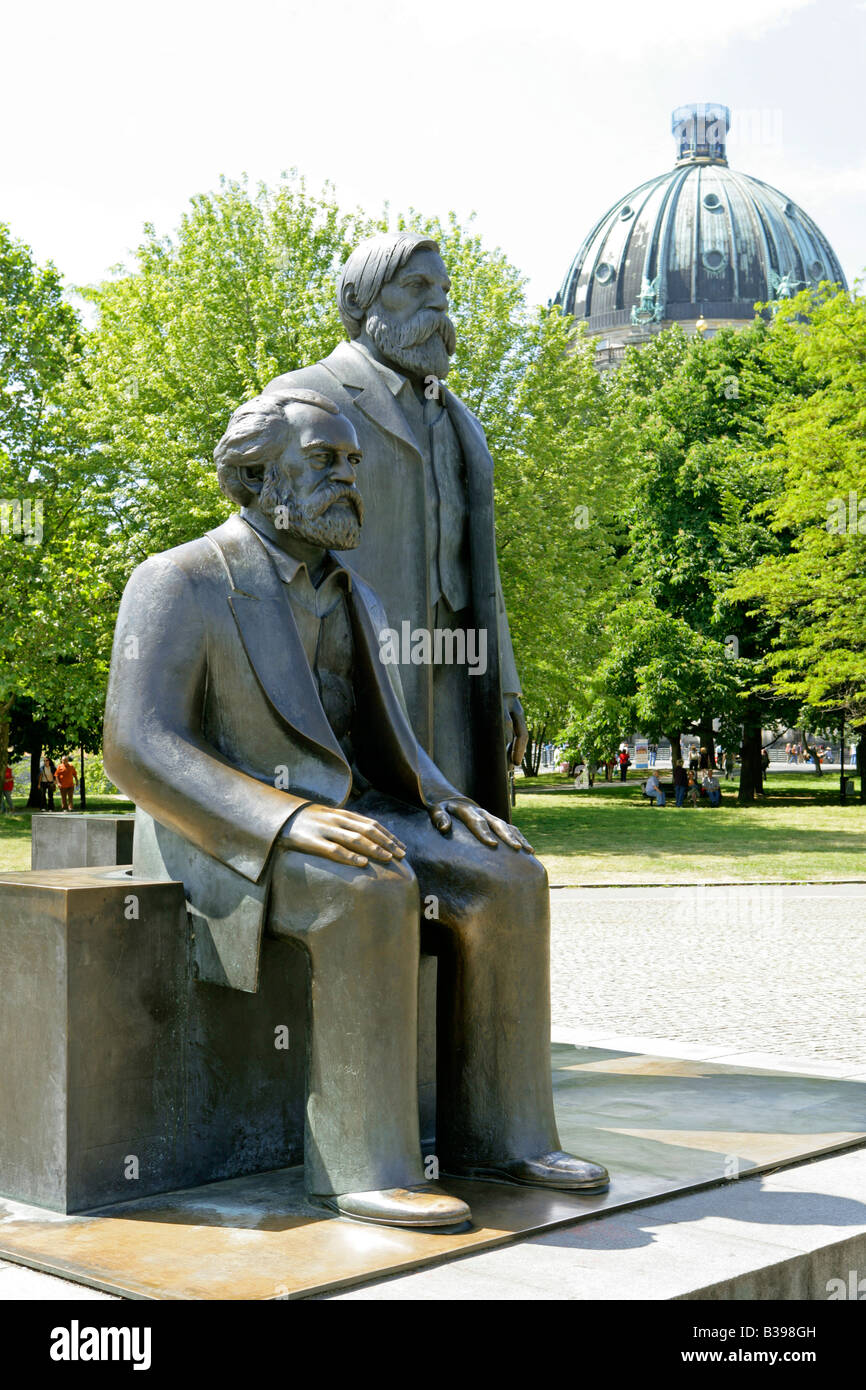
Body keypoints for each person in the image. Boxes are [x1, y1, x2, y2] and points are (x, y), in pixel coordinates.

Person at [103, 387, 609, 1231]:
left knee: (511, 874)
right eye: (325, 462)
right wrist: (285, 819)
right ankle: (362, 1164)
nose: (349, 479)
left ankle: (504, 1134)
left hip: (347, 812)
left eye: (352, 463)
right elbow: (138, 746)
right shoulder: (181, 581)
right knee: (368, 887)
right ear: (260, 476)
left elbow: (385, 749)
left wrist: (445, 801)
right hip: (217, 830)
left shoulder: (358, 597)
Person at [263, 232, 524, 820]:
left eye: (444, 291)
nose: (439, 306)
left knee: (462, 828)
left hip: (459, 662)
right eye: (416, 288)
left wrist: (504, 682)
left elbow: (480, 565)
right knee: (377, 832)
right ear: (358, 302)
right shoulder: (307, 396)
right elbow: (270, 545)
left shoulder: (461, 422)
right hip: (355, 661)